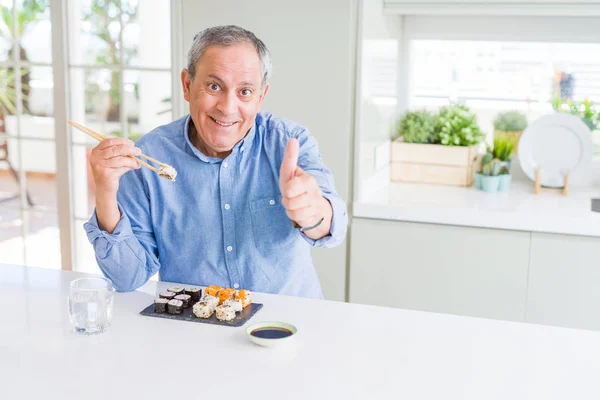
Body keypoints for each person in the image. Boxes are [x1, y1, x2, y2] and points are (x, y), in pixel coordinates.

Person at [84, 25, 347, 299]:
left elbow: (331, 226)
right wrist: (105, 191)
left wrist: (313, 213)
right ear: (187, 85)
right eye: (214, 86)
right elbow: (126, 277)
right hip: (195, 327)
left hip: (285, 326)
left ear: (261, 96)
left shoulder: (290, 142)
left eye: (245, 91)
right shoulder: (150, 156)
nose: (227, 107)